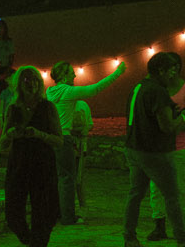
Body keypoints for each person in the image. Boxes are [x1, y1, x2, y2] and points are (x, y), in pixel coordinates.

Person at [123, 51, 185, 247]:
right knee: (172, 196)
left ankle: (129, 239)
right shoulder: (158, 91)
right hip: (154, 152)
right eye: (171, 70)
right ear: (160, 70)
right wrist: (182, 119)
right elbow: (166, 125)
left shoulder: (137, 88)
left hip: (134, 148)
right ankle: (183, 240)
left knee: (135, 195)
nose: (174, 74)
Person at [0, 67, 62, 247]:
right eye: (26, 80)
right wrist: (10, 134)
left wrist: (39, 134)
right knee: (13, 212)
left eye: (34, 80)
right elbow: (3, 141)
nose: (31, 83)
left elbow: (59, 140)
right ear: (19, 84)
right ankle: (30, 241)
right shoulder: (13, 109)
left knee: (42, 213)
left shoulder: (47, 108)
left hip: (42, 164)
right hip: (19, 163)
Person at [44, 60, 126, 226]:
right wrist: (117, 73)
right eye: (70, 72)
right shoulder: (67, 91)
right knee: (68, 178)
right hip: (64, 138)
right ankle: (68, 217)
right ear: (63, 75)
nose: (74, 75)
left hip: (50, 139)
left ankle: (55, 214)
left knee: (56, 177)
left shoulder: (49, 92)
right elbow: (94, 89)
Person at [145, 54, 185, 243]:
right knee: (156, 188)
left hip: (180, 146)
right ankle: (159, 225)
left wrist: (180, 126)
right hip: (158, 148)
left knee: (184, 186)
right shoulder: (155, 89)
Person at [69, 96, 95, 216]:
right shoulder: (61, 104)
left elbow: (89, 124)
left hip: (80, 147)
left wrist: (83, 129)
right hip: (67, 146)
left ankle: (82, 206)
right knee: (67, 179)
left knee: (79, 179)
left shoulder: (82, 105)